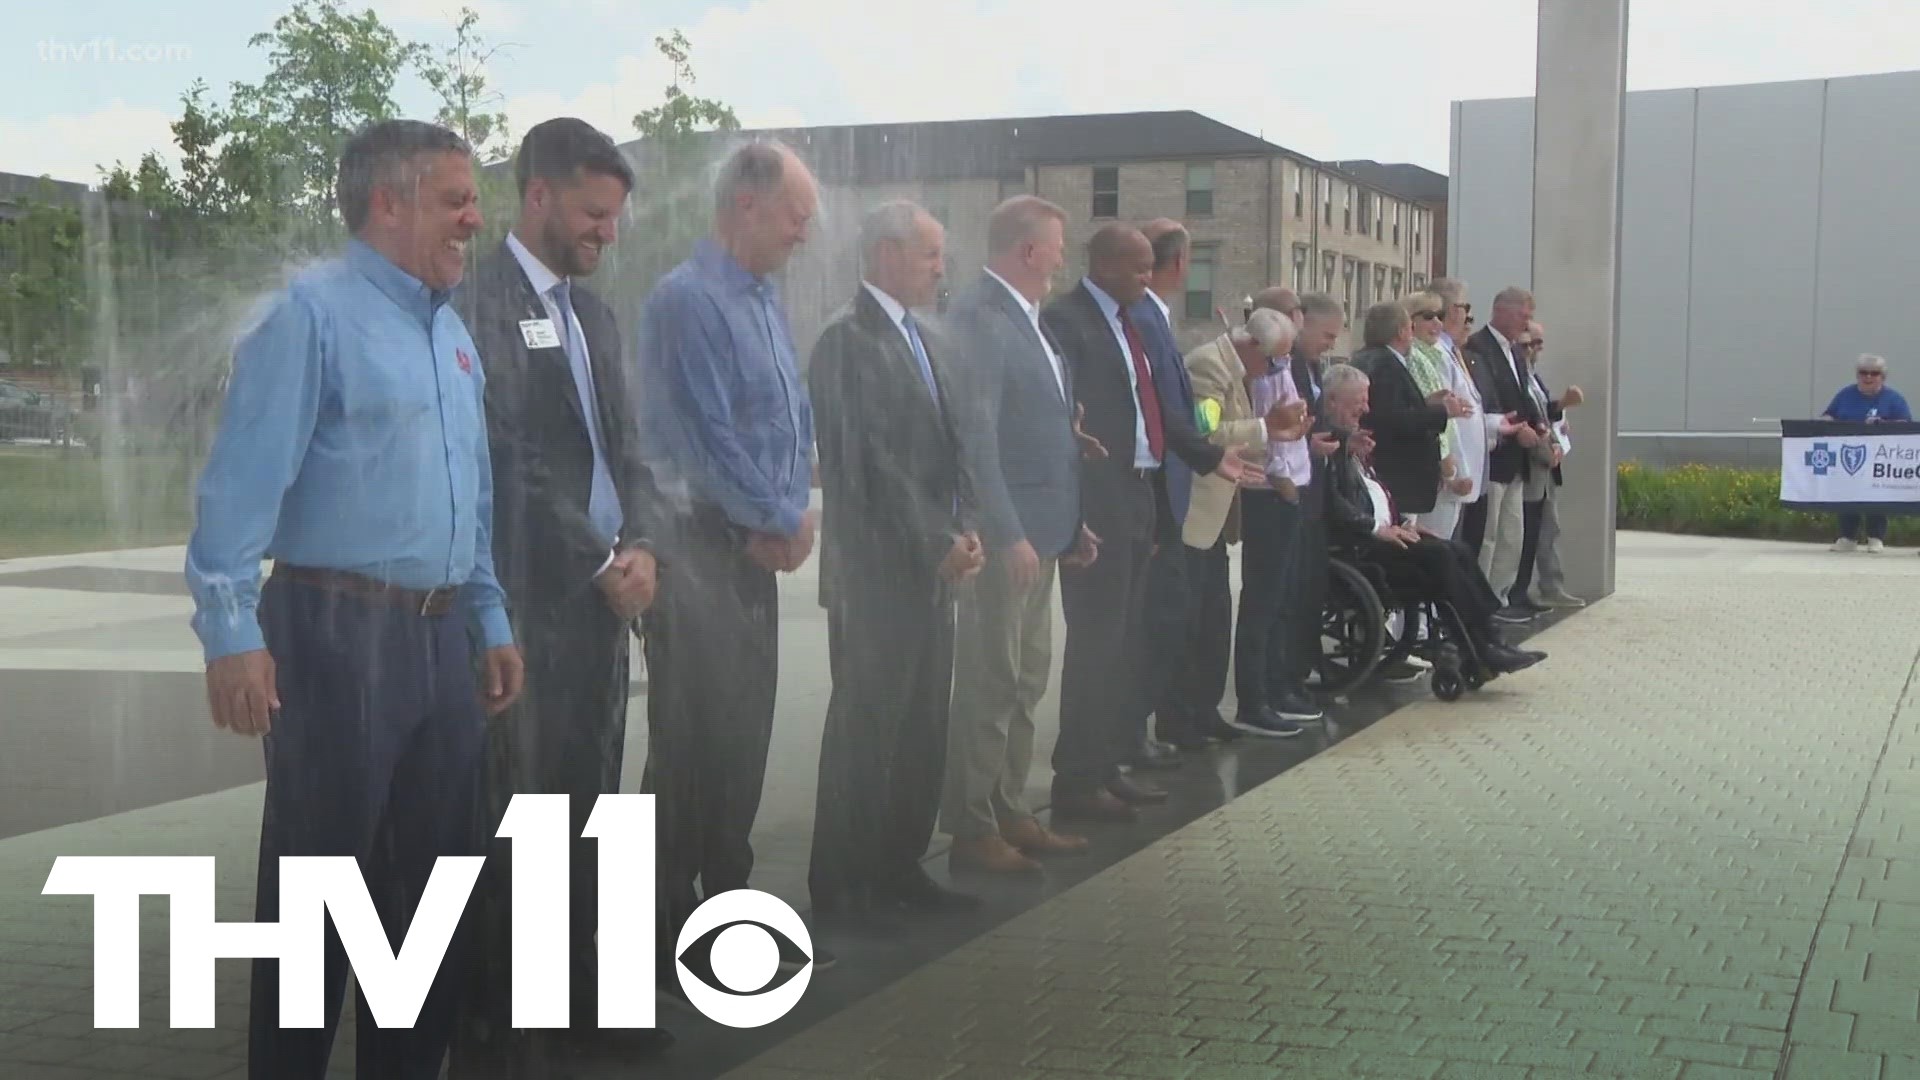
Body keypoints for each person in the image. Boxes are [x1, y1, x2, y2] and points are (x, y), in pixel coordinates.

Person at [183, 119, 523, 1080]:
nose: (473, 216)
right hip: (333, 634)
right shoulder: (310, 314)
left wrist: (487, 616)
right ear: (389, 201)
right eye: (455, 198)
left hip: (438, 642)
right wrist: (229, 632)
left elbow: (476, 493)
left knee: (428, 906)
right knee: (316, 901)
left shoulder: (451, 333)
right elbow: (237, 488)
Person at [449, 118, 666, 1075]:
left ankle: (589, 997)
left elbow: (629, 448)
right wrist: (596, 560)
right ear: (536, 196)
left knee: (594, 801)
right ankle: (509, 1021)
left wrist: (647, 543)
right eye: (591, 214)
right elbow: (507, 456)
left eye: (614, 217)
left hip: (604, 601)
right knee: (523, 814)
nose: (606, 233)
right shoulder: (479, 304)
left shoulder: (595, 315)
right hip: (531, 601)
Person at [634, 139, 824, 970]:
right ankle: (657, 929)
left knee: (743, 741)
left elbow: (792, 414)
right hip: (699, 552)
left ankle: (726, 915)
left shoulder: (762, 300)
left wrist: (794, 511)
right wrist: (779, 514)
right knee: (689, 749)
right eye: (795, 215)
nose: (804, 234)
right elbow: (700, 438)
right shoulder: (688, 302)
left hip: (751, 548)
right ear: (746, 205)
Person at [807, 200, 983, 920]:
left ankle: (899, 866)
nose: (942, 267)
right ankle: (846, 885)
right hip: (875, 574)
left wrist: (965, 527)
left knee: (920, 726)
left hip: (933, 571)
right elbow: (867, 463)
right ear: (884, 253)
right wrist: (933, 540)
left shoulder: (924, 338)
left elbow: (951, 446)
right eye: (930, 254)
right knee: (867, 728)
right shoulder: (847, 342)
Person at [1040, 224, 1243, 821]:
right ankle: (1075, 781)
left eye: (1153, 268)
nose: (1149, 279)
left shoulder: (1130, 325)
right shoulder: (1068, 322)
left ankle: (1106, 766)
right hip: (1097, 500)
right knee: (1095, 644)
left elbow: (1155, 410)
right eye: (1139, 269)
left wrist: (1209, 456)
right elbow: (1063, 420)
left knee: (1125, 640)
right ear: (1104, 266)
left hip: (1138, 495)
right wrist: (1070, 514)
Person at [939, 195, 1099, 876]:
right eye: (1057, 245)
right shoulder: (981, 316)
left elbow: (1041, 432)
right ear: (1028, 251)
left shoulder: (1031, 321)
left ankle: (1010, 809)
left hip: (1045, 533)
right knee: (991, 679)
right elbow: (977, 437)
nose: (1064, 257)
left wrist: (1071, 520)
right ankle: (973, 826)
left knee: (1027, 678)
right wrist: (1005, 532)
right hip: (1011, 542)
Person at [1316, 362, 1544, 677]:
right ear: (1332, 402)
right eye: (1360, 400)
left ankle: (1487, 638)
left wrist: (1402, 522)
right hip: (1359, 548)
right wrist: (1378, 529)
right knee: (1440, 557)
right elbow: (1334, 505)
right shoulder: (1327, 444)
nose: (1366, 408)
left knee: (1455, 549)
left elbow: (1376, 494)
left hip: (1384, 535)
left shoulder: (1352, 441)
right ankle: (1482, 644)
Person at [1172, 307, 1307, 745]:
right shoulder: (1208, 365)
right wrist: (1265, 427)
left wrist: (1275, 439)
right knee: (1191, 621)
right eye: (1274, 361)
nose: (1276, 370)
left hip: (1223, 514)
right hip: (1197, 512)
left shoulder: (1240, 369)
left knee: (1216, 619)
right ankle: (1181, 717)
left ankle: (1206, 711)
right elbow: (1205, 430)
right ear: (1252, 346)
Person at [1235, 292, 1344, 734]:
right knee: (1264, 601)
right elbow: (1266, 430)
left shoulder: (1285, 366)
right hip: (1274, 493)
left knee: (1282, 599)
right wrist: (1283, 481)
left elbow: (1292, 428)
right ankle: (1255, 697)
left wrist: (1304, 439)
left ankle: (1277, 686)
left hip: (1295, 487)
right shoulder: (1264, 372)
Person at [1462, 286, 1548, 615]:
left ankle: (1501, 598)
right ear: (1502, 311)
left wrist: (1537, 426)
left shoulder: (1515, 352)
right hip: (1494, 456)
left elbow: (1522, 395)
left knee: (1513, 534)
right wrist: (1516, 430)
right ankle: (1480, 602)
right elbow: (1487, 398)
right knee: (1488, 536)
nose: (1526, 324)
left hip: (1517, 459)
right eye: (1522, 316)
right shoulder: (1477, 348)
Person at [1510, 319, 1587, 609]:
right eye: (1531, 344)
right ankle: (1520, 591)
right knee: (1525, 532)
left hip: (1546, 461)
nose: (1536, 350)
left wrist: (1560, 411)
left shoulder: (1533, 376)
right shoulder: (1517, 376)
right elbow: (1526, 416)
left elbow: (1542, 413)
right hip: (1531, 462)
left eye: (1539, 344)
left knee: (1547, 528)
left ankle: (1549, 584)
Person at [1821, 353, 1911, 552]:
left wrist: (1884, 424)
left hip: (1879, 458)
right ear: (1857, 375)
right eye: (1864, 373)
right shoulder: (1845, 394)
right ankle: (1847, 537)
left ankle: (1875, 537)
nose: (1868, 377)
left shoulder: (1894, 399)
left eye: (1874, 373)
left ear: (1882, 377)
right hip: (1848, 454)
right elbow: (1829, 414)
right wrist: (1827, 420)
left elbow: (1906, 424)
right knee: (1846, 494)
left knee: (1876, 495)